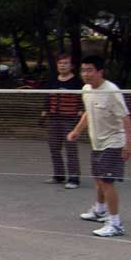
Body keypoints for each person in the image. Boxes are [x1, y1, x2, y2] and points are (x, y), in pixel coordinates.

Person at [67, 55, 131, 237]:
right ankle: (100, 210)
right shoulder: (86, 89)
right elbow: (88, 113)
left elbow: (125, 118)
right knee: (99, 179)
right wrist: (77, 130)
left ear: (100, 71)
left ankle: (116, 224)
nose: (85, 74)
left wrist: (128, 144)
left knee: (107, 182)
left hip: (114, 142)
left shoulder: (111, 91)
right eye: (83, 70)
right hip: (97, 142)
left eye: (90, 70)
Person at [41, 54, 83, 188]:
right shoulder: (53, 81)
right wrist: (44, 113)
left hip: (70, 119)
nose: (62, 65)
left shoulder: (77, 82)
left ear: (71, 66)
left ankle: (74, 178)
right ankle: (58, 176)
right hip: (54, 119)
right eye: (60, 63)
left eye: (65, 63)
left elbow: (83, 100)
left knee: (71, 149)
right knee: (54, 148)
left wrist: (80, 115)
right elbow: (48, 98)